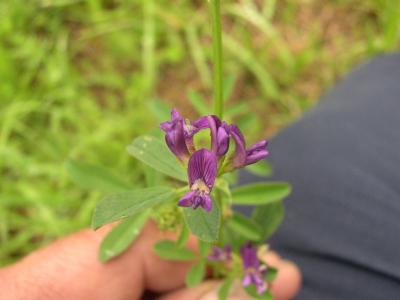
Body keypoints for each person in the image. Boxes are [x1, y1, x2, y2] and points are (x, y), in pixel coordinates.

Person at [2, 53, 399, 299]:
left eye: (201, 187)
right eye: (198, 187)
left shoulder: (208, 183)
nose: (198, 192)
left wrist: (214, 165)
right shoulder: (200, 184)